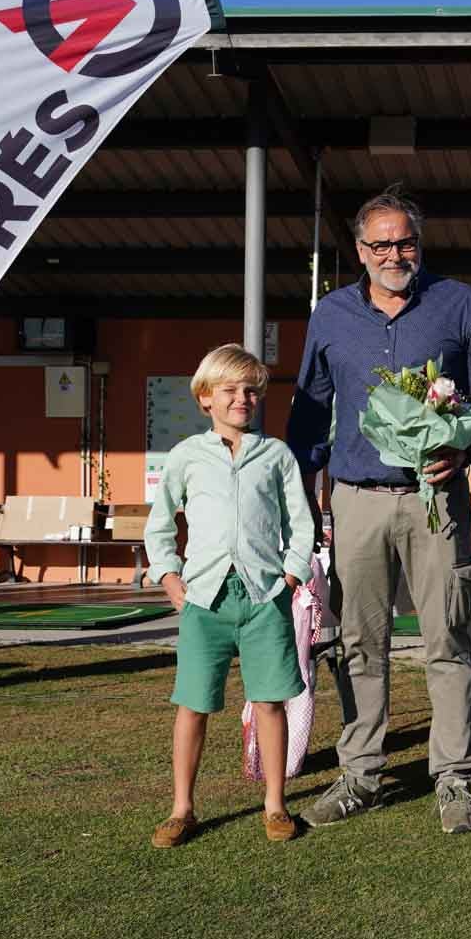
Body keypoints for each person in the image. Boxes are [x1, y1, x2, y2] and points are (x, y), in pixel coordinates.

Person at [288, 185, 471, 835]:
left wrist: (459, 441)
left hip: (435, 498)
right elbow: (308, 409)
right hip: (355, 498)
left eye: (404, 240)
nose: (393, 253)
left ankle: (455, 779)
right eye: (379, 243)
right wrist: (300, 493)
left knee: (447, 638)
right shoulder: (330, 315)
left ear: (420, 243)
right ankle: (361, 773)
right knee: (359, 643)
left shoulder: (459, 303)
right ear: (359, 249)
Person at [145, 344, 315, 848]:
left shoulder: (276, 455)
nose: (242, 399)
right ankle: (181, 809)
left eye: (251, 391)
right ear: (205, 399)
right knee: (193, 704)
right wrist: (170, 577)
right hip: (205, 601)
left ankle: (276, 804)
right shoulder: (186, 457)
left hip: (266, 597)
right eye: (230, 391)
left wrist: (290, 574)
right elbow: (160, 526)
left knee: (268, 702)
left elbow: (300, 525)